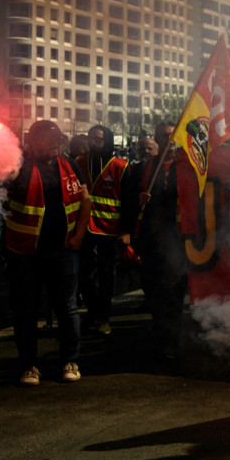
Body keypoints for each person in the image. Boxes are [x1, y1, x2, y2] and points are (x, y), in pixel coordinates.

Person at [3, 120, 91, 385]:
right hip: (25, 253)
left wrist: (78, 237)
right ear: (33, 141)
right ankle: (29, 366)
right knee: (26, 311)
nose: (55, 144)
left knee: (67, 308)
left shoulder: (69, 164)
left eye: (58, 140)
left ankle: (70, 360)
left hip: (64, 250)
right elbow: (0, 188)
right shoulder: (20, 167)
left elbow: (86, 201)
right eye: (49, 140)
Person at [121, 122, 186, 360]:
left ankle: (170, 341)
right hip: (150, 240)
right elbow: (127, 203)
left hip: (177, 241)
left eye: (172, 136)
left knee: (173, 293)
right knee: (153, 293)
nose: (169, 140)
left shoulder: (188, 169)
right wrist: (139, 204)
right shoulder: (141, 170)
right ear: (157, 140)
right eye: (164, 136)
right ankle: (161, 335)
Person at [75, 125, 129, 336]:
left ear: (107, 141)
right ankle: (94, 310)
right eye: (91, 138)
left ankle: (103, 316)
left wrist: (125, 231)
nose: (94, 142)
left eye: (98, 139)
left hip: (109, 231)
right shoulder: (79, 163)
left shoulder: (120, 166)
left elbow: (128, 202)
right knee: (84, 274)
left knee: (107, 276)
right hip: (85, 229)